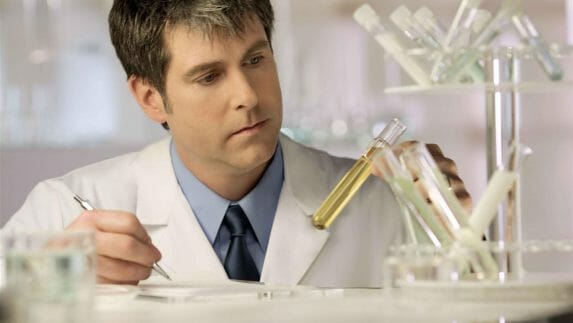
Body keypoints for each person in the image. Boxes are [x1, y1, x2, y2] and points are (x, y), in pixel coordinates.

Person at [2, 0, 470, 287]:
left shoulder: (384, 203)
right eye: (208, 77)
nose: (247, 96)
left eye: (255, 60)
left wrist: (469, 237)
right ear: (150, 98)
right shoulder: (65, 210)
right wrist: (44, 278)